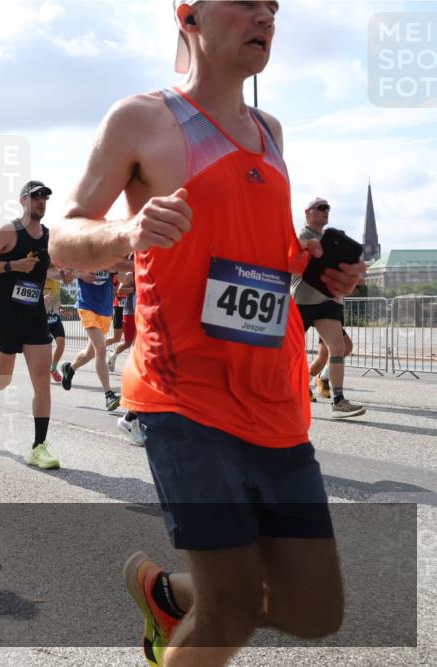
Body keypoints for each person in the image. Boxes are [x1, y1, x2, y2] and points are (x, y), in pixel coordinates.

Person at [48, 3, 364, 665]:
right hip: (185, 396)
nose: (265, 16)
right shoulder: (142, 119)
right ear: (188, 13)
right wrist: (125, 234)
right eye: (247, 1)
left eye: (273, 7)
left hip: (273, 400)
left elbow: (259, 254)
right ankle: (196, 605)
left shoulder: (270, 130)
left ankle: (167, 595)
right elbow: (64, 236)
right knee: (231, 609)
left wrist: (320, 272)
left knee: (316, 609)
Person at [0, 180, 60, 469]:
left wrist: (65, 273)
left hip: (33, 316)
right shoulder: (9, 232)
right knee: (2, 380)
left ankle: (39, 447)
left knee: (42, 380)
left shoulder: (50, 236)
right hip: (6, 315)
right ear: (23, 201)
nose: (41, 202)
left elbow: (51, 269)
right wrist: (13, 266)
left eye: (45, 197)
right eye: (35, 197)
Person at [291, 197, 366, 418]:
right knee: (286, 351)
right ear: (308, 212)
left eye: (328, 208)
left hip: (326, 301)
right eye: (321, 208)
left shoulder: (331, 240)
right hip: (302, 300)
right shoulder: (302, 236)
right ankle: (279, 392)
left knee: (339, 347)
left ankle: (338, 400)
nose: (326, 211)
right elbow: (302, 268)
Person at [60, 267, 126, 412]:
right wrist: (80, 274)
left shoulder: (110, 255)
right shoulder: (85, 252)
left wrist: (116, 270)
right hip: (86, 306)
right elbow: (66, 274)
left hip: (105, 310)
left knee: (90, 353)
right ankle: (109, 395)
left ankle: (69, 368)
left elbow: (123, 278)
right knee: (101, 349)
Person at [308, 329, 353, 400]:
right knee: (346, 346)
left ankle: (303, 384)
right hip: (327, 320)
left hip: (331, 320)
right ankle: (322, 378)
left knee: (323, 355)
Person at [43, 273, 70, 382]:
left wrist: (61, 309)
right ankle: (43, 371)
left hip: (54, 316)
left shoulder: (57, 281)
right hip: (41, 317)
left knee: (61, 342)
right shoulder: (41, 279)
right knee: (46, 347)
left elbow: (56, 300)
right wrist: (42, 299)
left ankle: (52, 368)